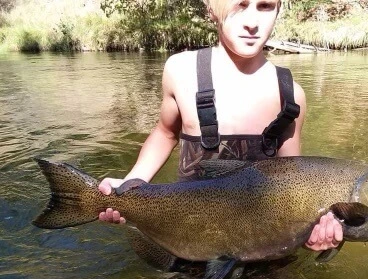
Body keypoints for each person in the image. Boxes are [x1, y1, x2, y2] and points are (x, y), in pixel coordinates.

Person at [98, 0, 343, 259]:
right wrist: (131, 184)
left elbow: (294, 180)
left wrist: (311, 230)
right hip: (187, 233)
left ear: (278, 10)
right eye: (241, 5)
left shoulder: (291, 95)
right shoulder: (180, 71)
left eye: (265, 6)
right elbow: (166, 133)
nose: (252, 22)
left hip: (263, 243)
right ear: (211, 9)